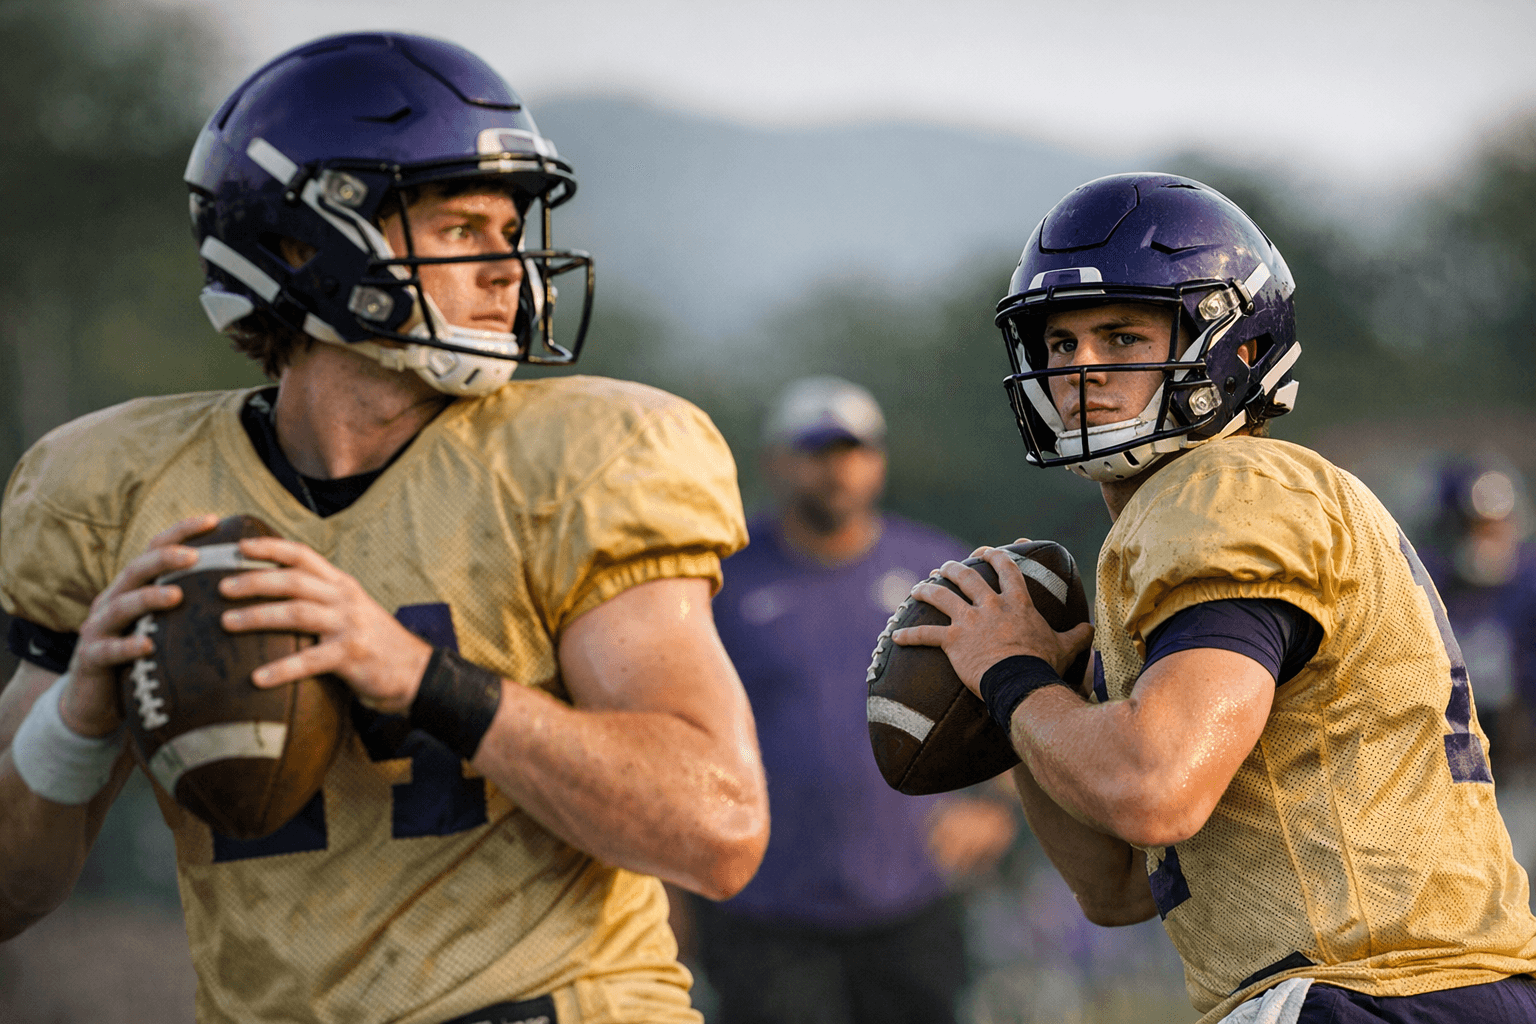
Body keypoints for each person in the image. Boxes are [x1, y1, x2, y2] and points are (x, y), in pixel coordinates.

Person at [0, 32, 769, 1024]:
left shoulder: (579, 461)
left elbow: (716, 830)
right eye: (460, 230)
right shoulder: (115, 491)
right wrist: (75, 722)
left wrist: (420, 676)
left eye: (510, 228)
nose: (510, 271)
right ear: (298, 246)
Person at [893, 173, 1536, 1023]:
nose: (1080, 370)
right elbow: (1118, 887)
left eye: (1121, 337)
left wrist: (1009, 673)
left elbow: (1156, 786)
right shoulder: (1191, 515)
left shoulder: (1225, 488)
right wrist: (1020, 709)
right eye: (1060, 345)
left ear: (1231, 344)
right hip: (1398, 989)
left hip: (1369, 994)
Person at [689, 376, 1016, 1024]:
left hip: (910, 903)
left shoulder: (935, 572)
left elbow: (1000, 697)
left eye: (854, 448)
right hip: (762, 910)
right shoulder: (722, 577)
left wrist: (996, 808)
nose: (837, 467)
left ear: (878, 460)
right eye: (816, 449)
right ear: (775, 462)